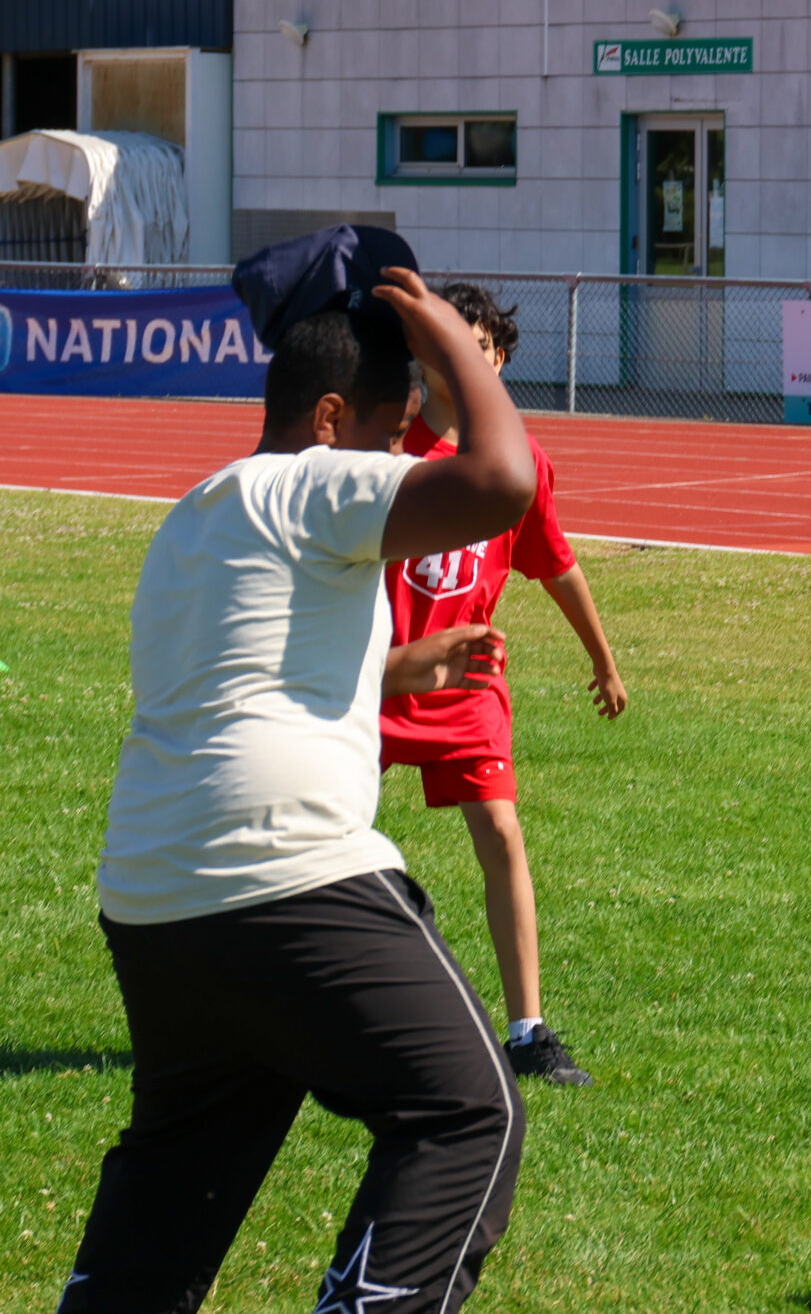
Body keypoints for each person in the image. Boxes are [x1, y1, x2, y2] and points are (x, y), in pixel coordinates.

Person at [63, 229, 537, 1314]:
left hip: (152, 898)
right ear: (329, 421)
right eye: (391, 431)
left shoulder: (200, 513)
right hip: (284, 876)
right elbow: (503, 480)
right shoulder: (316, 483)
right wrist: (448, 347)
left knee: (179, 1169)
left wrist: (404, 668)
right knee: (468, 1110)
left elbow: (247, 683)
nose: (400, 454)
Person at [380, 282, 629, 1087]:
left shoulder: (518, 462)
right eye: (451, 343)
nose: (468, 358)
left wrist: (603, 658)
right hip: (376, 679)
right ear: (425, 356)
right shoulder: (387, 454)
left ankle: (528, 1031)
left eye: (481, 346)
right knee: (329, 829)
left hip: (469, 685)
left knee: (501, 831)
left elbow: (557, 565)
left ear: (498, 360)